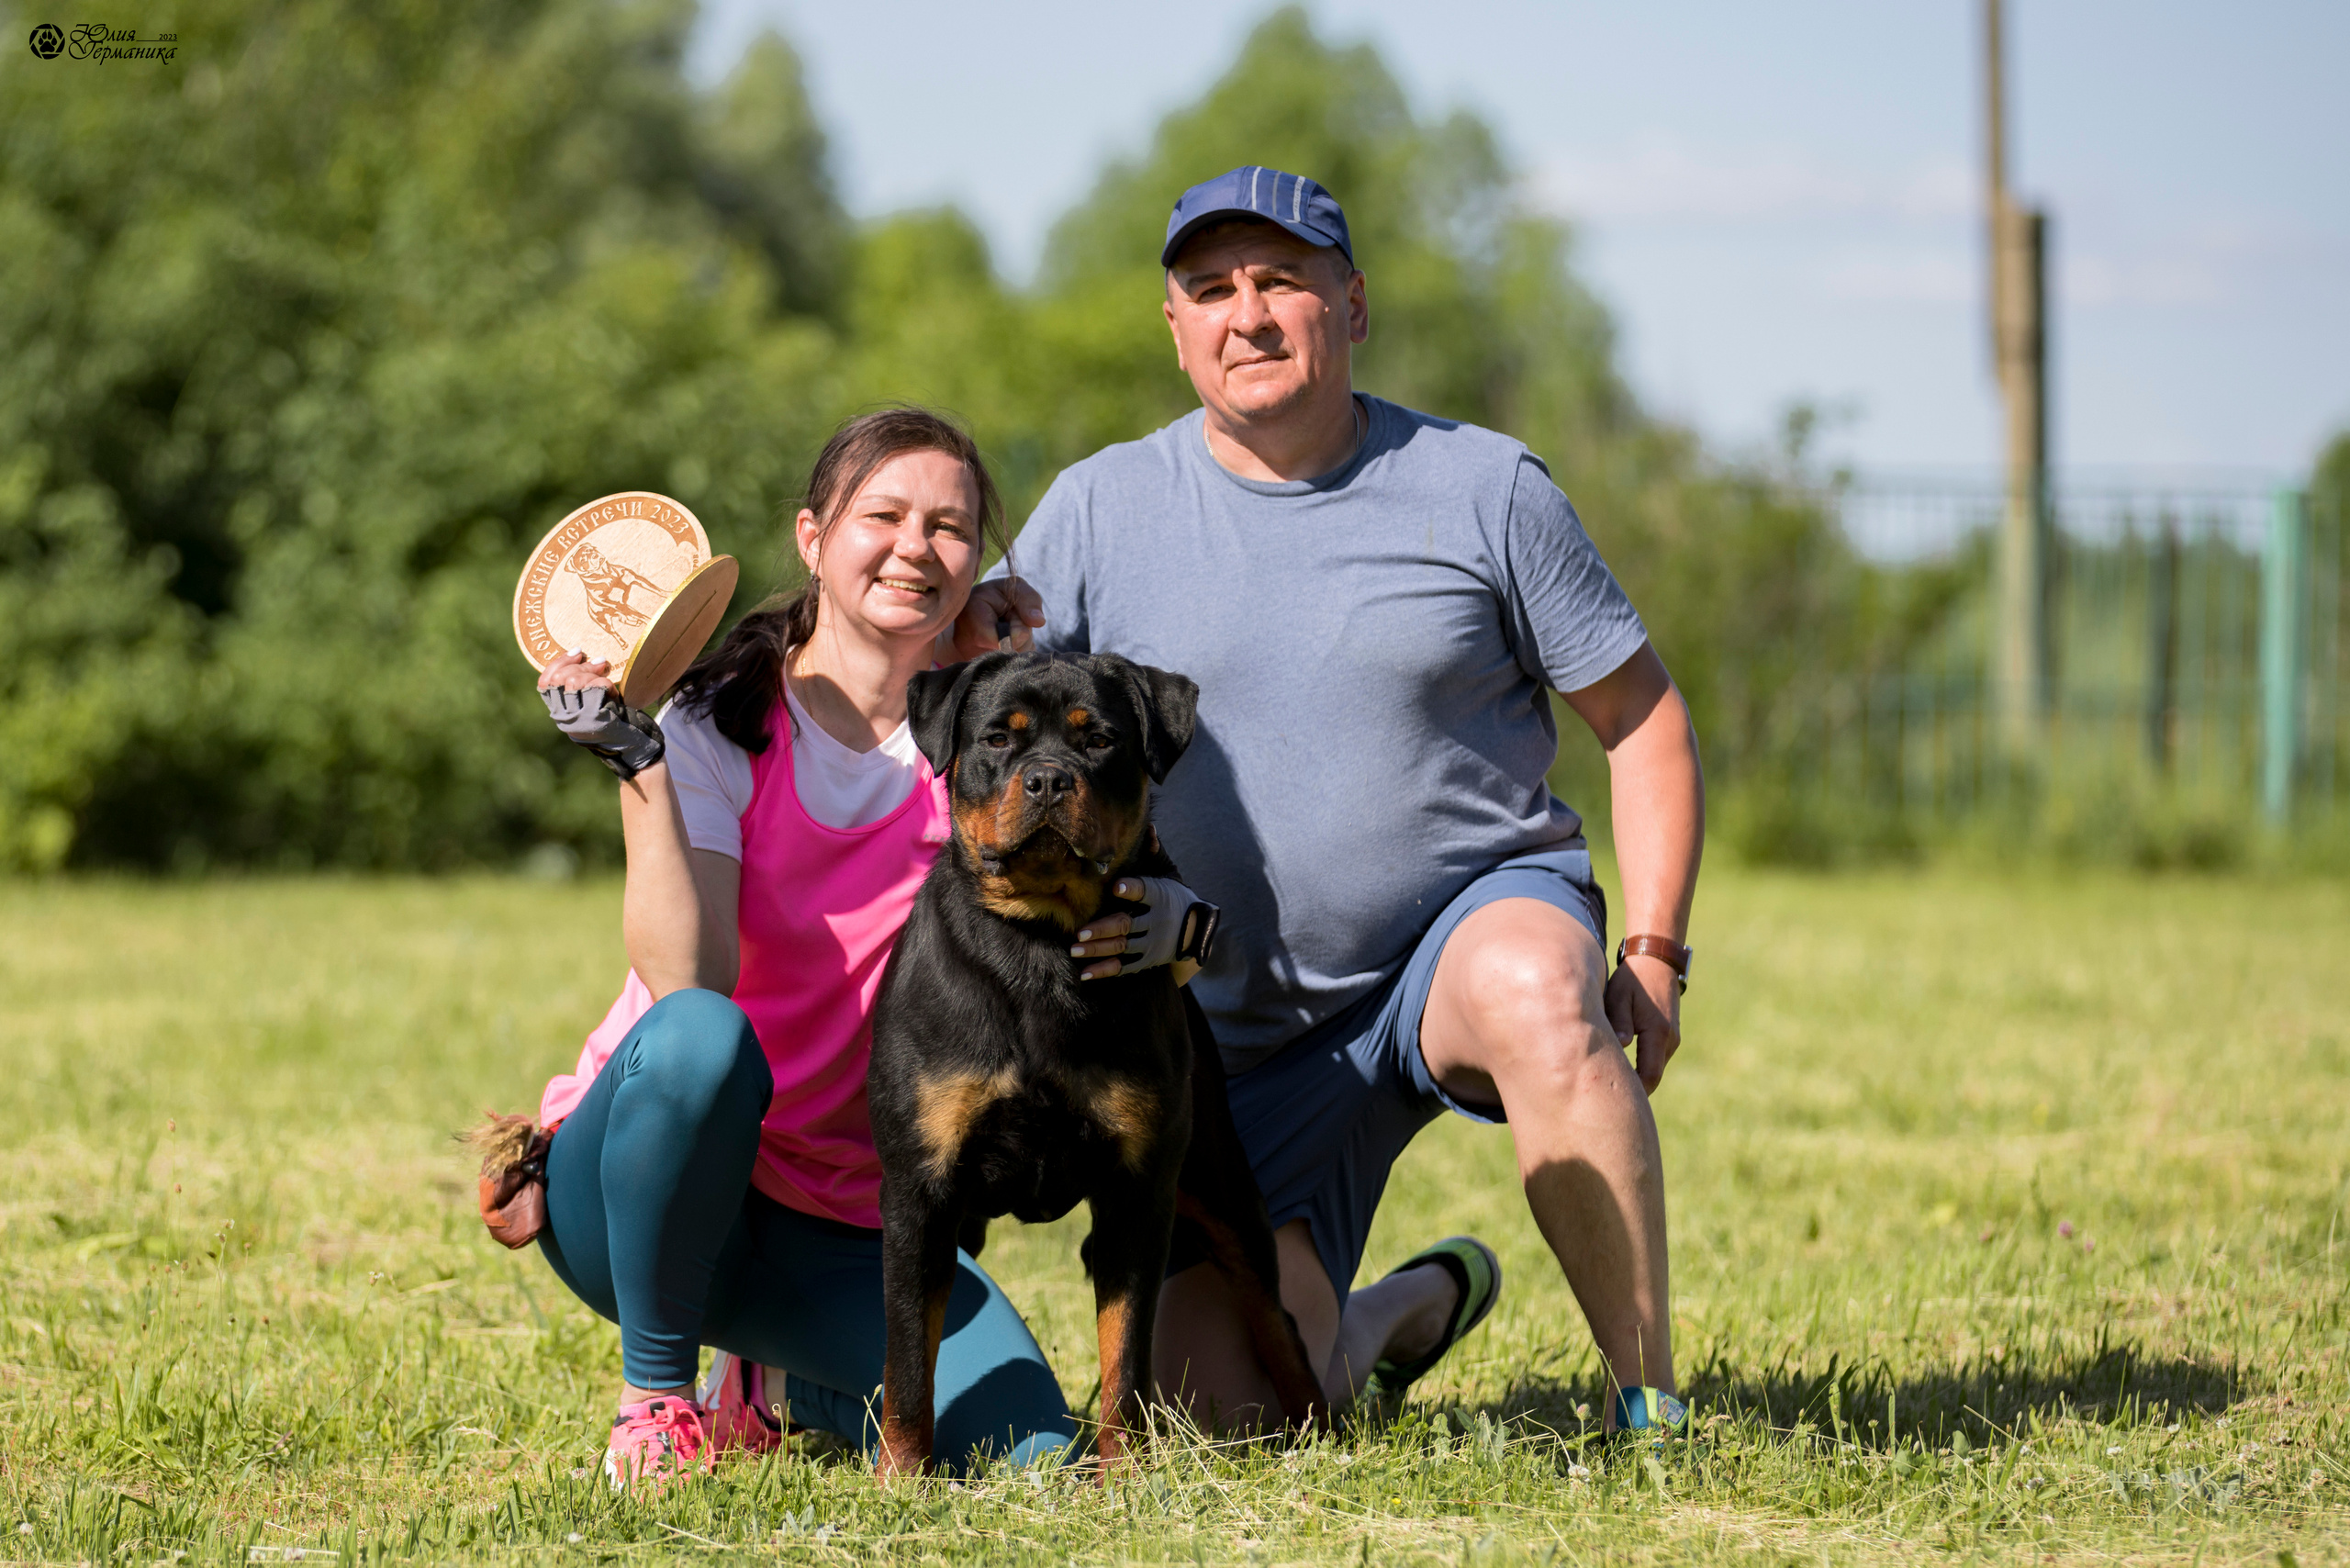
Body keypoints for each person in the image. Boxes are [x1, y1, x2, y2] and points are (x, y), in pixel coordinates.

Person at [952, 169, 1705, 1436]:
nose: (1246, 314)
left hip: (1458, 933)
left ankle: (1652, 1409)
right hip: (1230, 1041)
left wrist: (1655, 950)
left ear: (1350, 306)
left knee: (1531, 988)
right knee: (1215, 1422)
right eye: (1210, 290)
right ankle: (1396, 1313)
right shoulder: (1095, 510)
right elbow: (946, 693)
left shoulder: (1486, 488)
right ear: (1176, 329)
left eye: (1280, 281)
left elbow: (1645, 722)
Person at [533, 409, 1097, 1484]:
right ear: (812, 538)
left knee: (1032, 1454)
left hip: (838, 1215)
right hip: (639, 1192)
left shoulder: (988, 739)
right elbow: (688, 980)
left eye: (948, 527)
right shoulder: (715, 721)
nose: (914, 547)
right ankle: (657, 1397)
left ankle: (771, 1386)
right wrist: (637, 763)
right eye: (881, 516)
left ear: (977, 558)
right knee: (702, 1035)